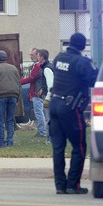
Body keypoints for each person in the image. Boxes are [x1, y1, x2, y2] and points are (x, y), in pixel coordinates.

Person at [50, 33, 98, 195]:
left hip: (54, 105)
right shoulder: (82, 62)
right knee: (79, 146)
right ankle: (73, 185)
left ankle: (60, 186)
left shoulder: (59, 58)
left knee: (58, 148)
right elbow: (95, 80)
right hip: (70, 108)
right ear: (83, 46)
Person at [21, 48, 47, 138]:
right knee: (40, 112)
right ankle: (41, 131)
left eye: (32, 55)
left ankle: (42, 132)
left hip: (37, 93)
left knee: (39, 113)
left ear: (37, 55)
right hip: (36, 92)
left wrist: (19, 81)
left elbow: (32, 78)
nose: (31, 57)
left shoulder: (37, 66)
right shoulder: (37, 66)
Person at [37, 49, 54, 143]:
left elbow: (50, 85)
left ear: (42, 57)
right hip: (50, 94)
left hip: (49, 97)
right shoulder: (48, 66)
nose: (37, 57)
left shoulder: (47, 68)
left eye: (38, 56)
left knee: (49, 118)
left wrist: (47, 98)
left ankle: (50, 138)